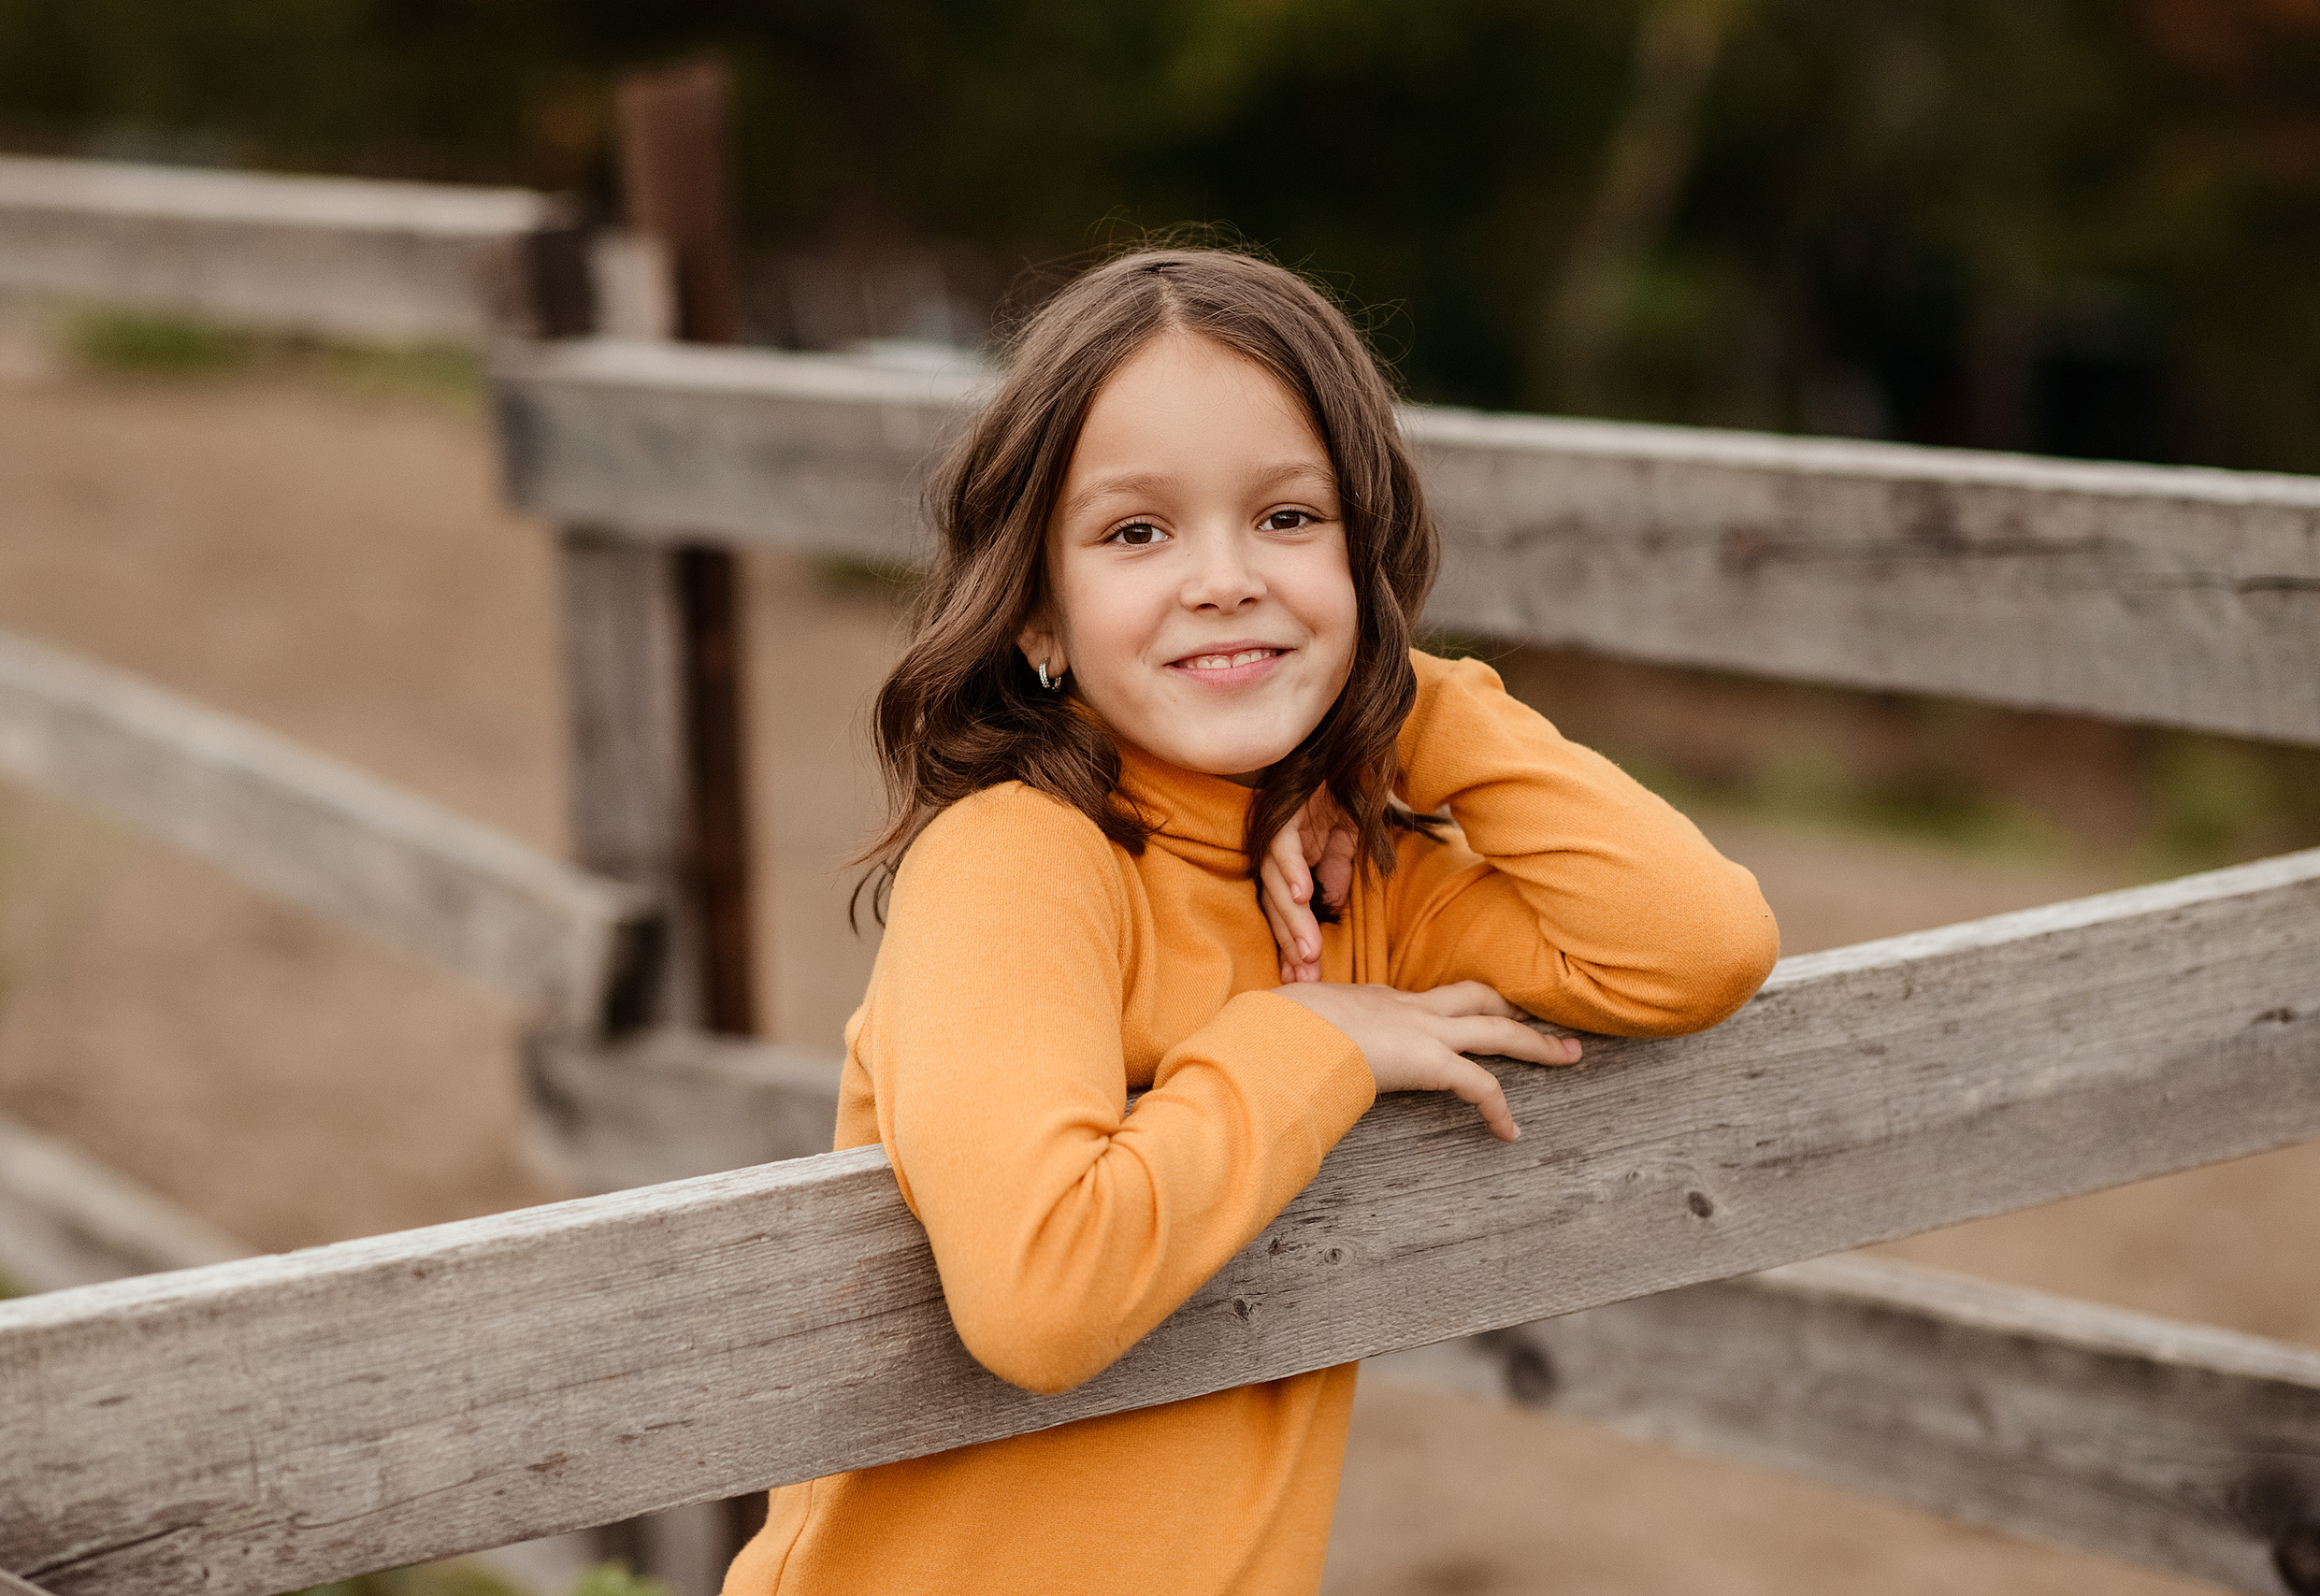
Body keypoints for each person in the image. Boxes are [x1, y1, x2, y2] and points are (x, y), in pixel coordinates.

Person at [721, 247, 1777, 1596]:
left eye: (1288, 519)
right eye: (1136, 533)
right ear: (1039, 614)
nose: (1224, 579)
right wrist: (1309, 1035)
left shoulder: (1356, 886)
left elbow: (1694, 945)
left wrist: (1408, 710)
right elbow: (1040, 1293)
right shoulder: (1017, 862)